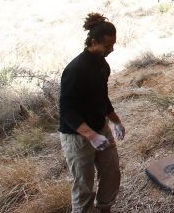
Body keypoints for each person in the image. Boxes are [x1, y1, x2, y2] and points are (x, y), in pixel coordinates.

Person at [59, 13, 125, 213]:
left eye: (113, 45)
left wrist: (116, 122)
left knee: (112, 173)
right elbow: (66, 111)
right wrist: (91, 135)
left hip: (100, 128)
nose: (111, 50)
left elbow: (102, 98)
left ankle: (104, 209)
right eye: (107, 46)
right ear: (93, 42)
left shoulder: (102, 65)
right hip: (77, 136)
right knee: (84, 187)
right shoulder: (75, 70)